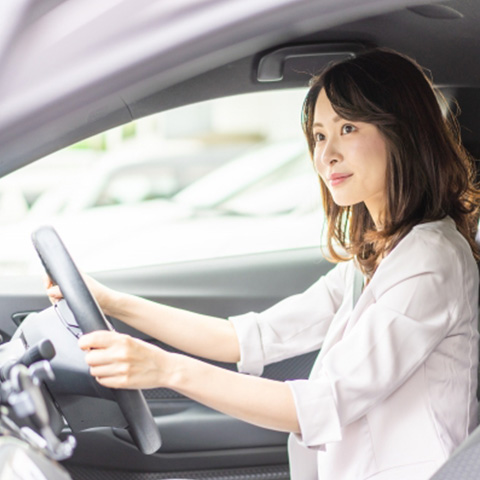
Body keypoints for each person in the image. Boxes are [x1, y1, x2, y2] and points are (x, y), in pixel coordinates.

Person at [46, 48, 480, 480]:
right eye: (320, 135)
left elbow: (322, 403)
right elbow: (250, 336)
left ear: (403, 133)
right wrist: (110, 301)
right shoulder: (376, 254)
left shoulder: (430, 260)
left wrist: (165, 369)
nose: (326, 155)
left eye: (348, 128)